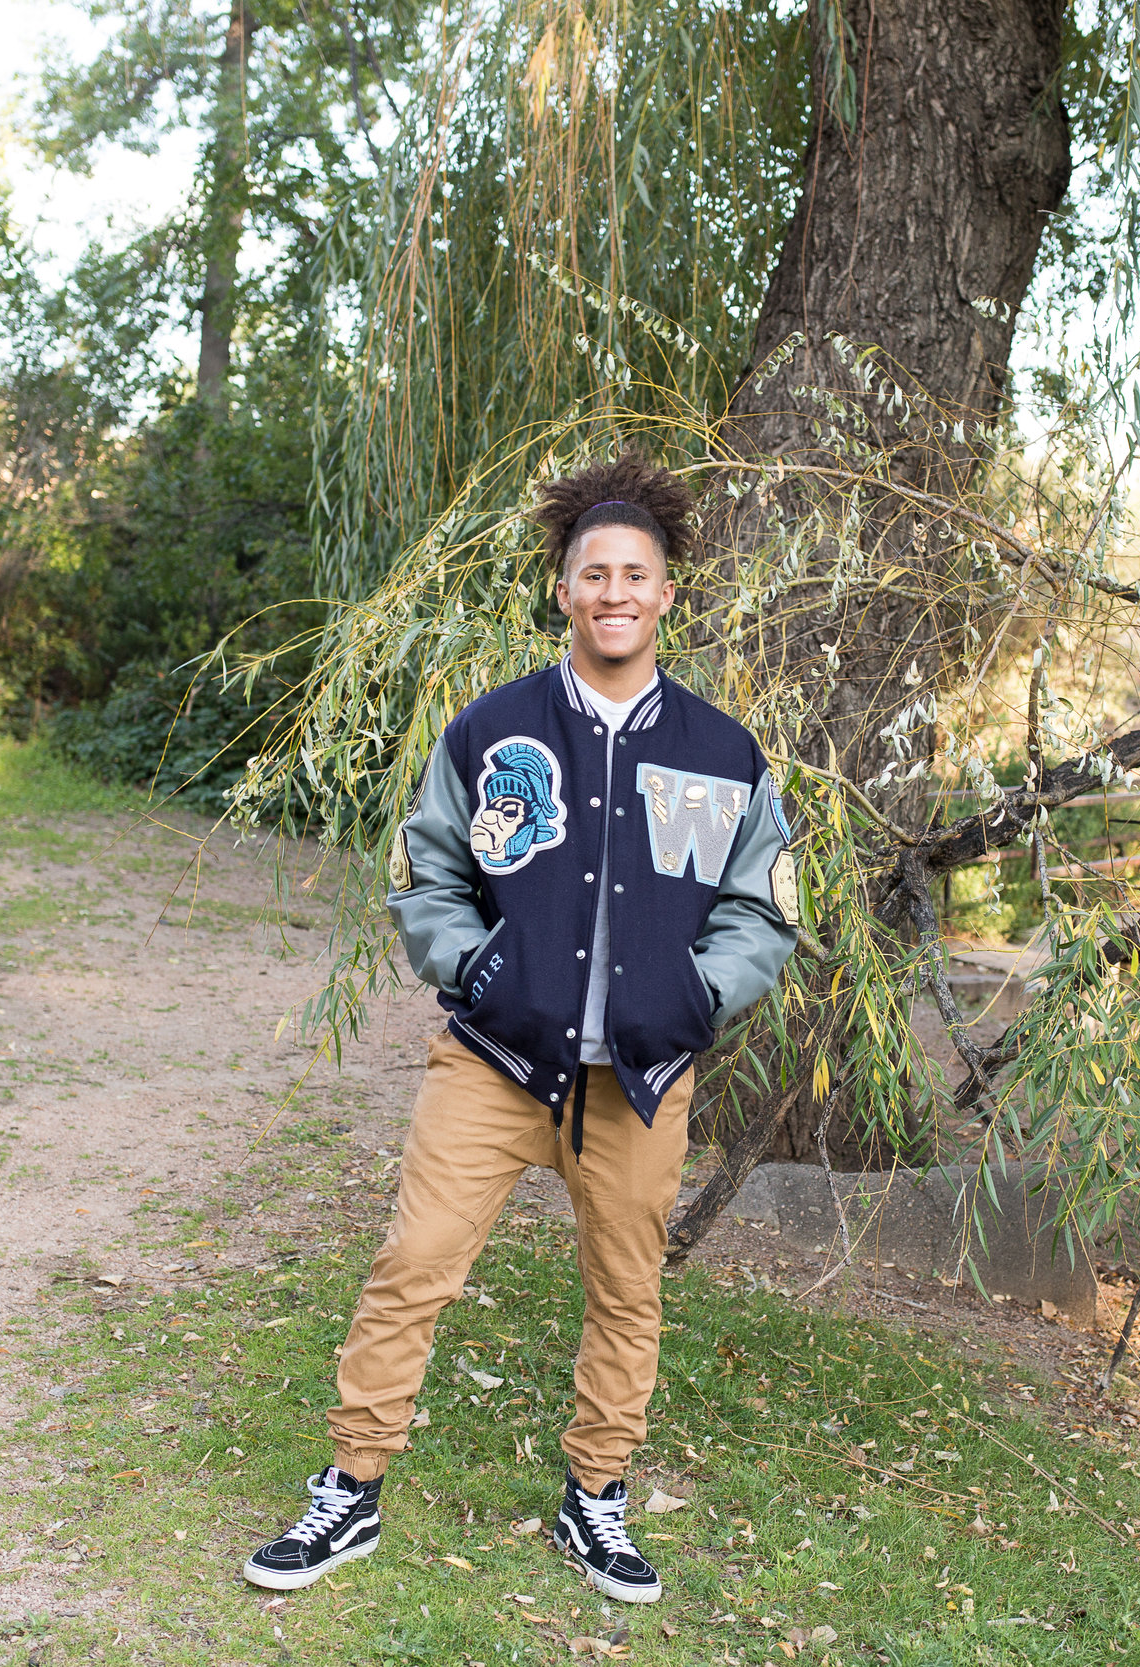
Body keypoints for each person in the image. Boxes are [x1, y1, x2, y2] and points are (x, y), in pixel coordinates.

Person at [243, 453, 800, 1603]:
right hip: (493, 1064)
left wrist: (695, 998)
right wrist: (480, 965)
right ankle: (351, 1484)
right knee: (414, 1264)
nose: (613, 591)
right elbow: (425, 872)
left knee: (626, 1288)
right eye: (591, 572)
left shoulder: (723, 752)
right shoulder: (492, 729)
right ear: (561, 588)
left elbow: (761, 907)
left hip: (639, 1078)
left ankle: (595, 1498)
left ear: (666, 594)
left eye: (634, 574)